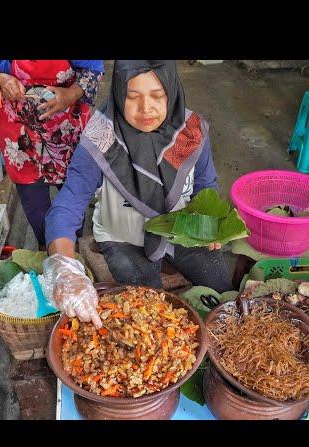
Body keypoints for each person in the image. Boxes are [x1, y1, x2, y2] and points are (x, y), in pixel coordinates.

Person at [42, 60, 233, 327]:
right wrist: (64, 266)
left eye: (157, 96)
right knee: (148, 310)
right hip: (124, 238)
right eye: (133, 97)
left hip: (184, 229)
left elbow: (206, 186)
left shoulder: (191, 131)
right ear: (119, 94)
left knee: (225, 293)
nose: (146, 108)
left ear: (173, 91)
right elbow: (68, 204)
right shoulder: (101, 135)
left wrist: (211, 225)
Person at [0, 60, 104, 247]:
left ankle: (72, 249)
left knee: (73, 200)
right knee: (35, 208)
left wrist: (71, 93)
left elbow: (93, 69)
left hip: (67, 128)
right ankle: (46, 248)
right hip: (19, 134)